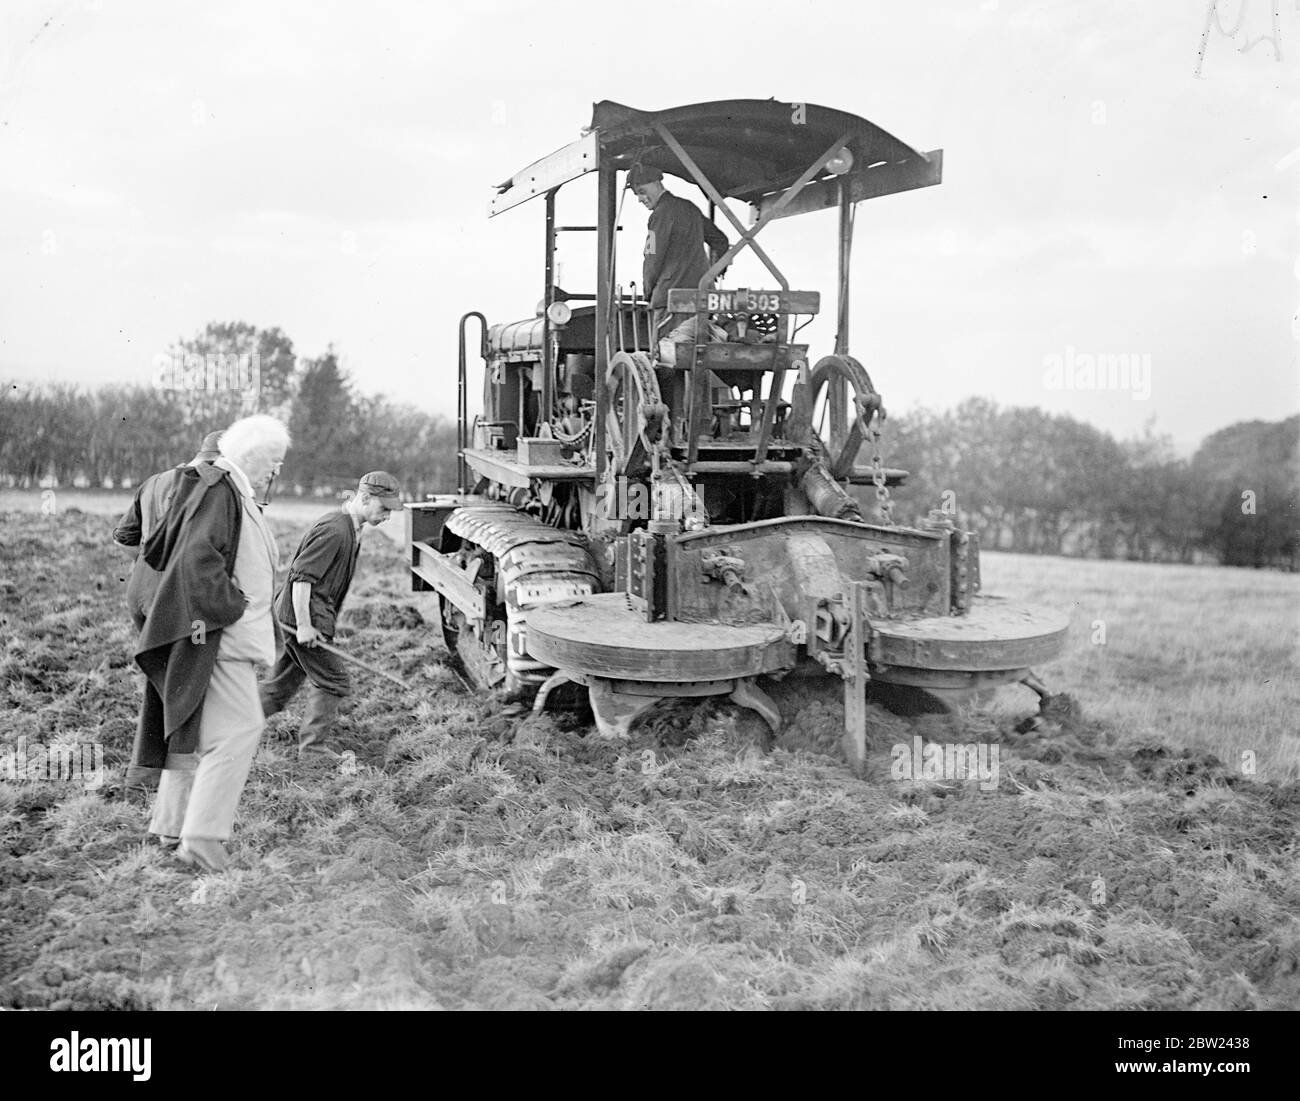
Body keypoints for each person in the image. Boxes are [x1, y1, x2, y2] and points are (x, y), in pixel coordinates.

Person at [130, 414, 289, 873]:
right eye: (273, 462)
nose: (276, 472)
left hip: (217, 638)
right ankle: (201, 839)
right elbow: (198, 562)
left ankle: (170, 825)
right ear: (252, 456)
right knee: (240, 730)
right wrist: (234, 606)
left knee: (194, 734)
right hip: (221, 641)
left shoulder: (232, 492)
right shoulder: (222, 491)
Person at [259, 472, 403, 759]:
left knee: (280, 686)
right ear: (363, 498)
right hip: (301, 620)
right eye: (383, 508)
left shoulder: (351, 529)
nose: (386, 516)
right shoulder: (335, 530)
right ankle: (313, 752)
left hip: (302, 618)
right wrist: (304, 626)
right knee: (334, 680)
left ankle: (232, 727)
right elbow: (301, 578)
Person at [113, 431, 223, 631]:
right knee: (188, 658)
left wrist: (147, 562)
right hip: (177, 592)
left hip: (139, 589)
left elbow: (123, 538)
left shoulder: (154, 482)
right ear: (219, 460)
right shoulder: (210, 486)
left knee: (151, 658)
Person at [628, 163, 730, 351]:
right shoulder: (689, 208)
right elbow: (721, 241)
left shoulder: (659, 215)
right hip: (702, 297)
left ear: (657, 182)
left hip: (670, 300)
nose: (640, 199)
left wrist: (648, 292)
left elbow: (652, 259)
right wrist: (713, 274)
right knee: (696, 357)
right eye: (637, 194)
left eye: (641, 192)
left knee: (665, 359)